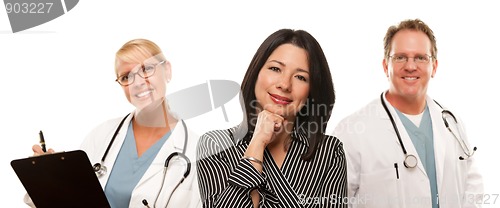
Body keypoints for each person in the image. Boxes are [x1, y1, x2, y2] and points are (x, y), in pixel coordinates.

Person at [29, 39, 201, 208]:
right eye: (127, 76)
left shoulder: (197, 153)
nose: (139, 82)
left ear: (167, 70)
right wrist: (48, 175)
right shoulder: (102, 135)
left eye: (147, 69)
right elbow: (71, 200)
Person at [334, 19, 484, 208]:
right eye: (400, 57)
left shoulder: (451, 122)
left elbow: (473, 188)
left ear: (434, 67)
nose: (410, 66)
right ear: (385, 66)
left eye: (421, 57)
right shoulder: (351, 131)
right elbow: (334, 201)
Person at [196, 29, 347, 208]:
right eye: (275, 69)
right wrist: (257, 143)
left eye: (300, 77)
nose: (284, 84)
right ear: (256, 73)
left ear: (311, 92)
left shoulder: (329, 152)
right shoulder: (215, 145)